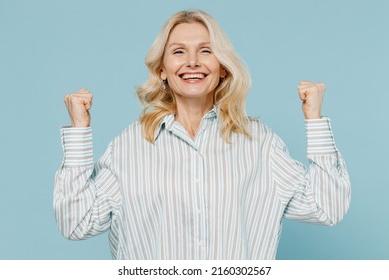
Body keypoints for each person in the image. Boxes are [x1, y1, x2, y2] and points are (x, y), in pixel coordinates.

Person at [54, 9, 351, 260]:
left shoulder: (260, 143)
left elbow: (328, 207)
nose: (192, 61)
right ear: (162, 69)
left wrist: (314, 120)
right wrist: (80, 132)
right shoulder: (128, 147)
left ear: (222, 68)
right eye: (179, 51)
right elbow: (76, 223)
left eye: (206, 51)